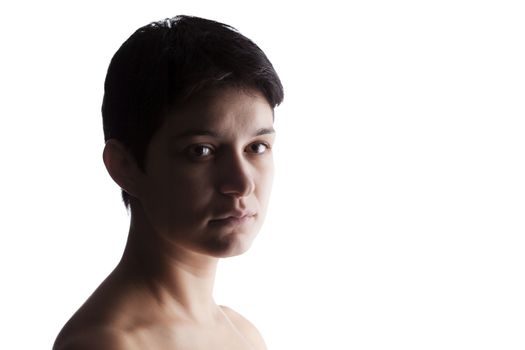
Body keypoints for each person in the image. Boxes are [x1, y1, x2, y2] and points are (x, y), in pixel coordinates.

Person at [53, 15, 283, 350]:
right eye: (201, 150)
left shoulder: (243, 334)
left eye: (257, 147)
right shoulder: (106, 342)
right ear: (125, 166)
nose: (241, 182)